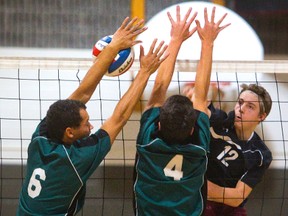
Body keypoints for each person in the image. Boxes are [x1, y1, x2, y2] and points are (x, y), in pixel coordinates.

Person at [16, 17, 168, 215]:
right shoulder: (78, 159)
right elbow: (119, 118)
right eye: (86, 124)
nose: (91, 127)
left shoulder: (42, 136)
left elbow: (83, 93)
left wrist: (114, 47)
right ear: (69, 132)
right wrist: (145, 71)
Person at [133, 6, 230, 215]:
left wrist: (176, 39)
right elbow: (202, 97)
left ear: (158, 124)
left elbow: (160, 89)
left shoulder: (148, 141)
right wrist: (208, 42)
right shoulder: (199, 148)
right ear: (192, 130)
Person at [203, 83, 273, 216]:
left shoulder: (260, 154)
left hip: (229, 208)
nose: (241, 109)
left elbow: (236, 198)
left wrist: (200, 186)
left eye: (250, 107)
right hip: (203, 203)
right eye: (240, 102)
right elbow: (201, 107)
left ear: (261, 116)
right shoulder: (221, 121)